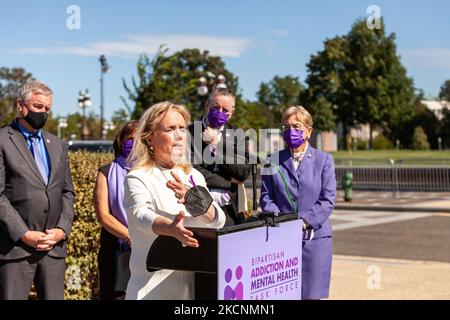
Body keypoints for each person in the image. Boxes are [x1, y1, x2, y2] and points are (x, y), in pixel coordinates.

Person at [124, 101, 226, 300]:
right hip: (149, 290)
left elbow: (218, 220)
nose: (179, 135)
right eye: (170, 129)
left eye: (182, 128)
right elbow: (140, 216)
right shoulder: (138, 177)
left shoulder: (194, 176)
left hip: (190, 291)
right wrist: (170, 228)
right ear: (149, 138)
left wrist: (194, 199)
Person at [0, 80, 75, 300]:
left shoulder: (57, 144)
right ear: (21, 105)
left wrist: (62, 230)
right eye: (37, 107)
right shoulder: (3, 140)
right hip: (14, 249)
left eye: (47, 109)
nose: (43, 112)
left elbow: (67, 192)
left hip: (53, 249)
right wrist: (23, 234)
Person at [260, 106, 336, 300]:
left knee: (311, 295)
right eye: (286, 127)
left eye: (296, 126)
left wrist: (302, 222)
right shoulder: (272, 160)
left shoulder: (324, 160)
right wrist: (285, 222)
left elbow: (327, 200)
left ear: (309, 131)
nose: (290, 131)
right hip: (282, 241)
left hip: (315, 241)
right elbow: (266, 198)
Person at [188, 87, 250, 226]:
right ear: (207, 106)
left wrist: (217, 145)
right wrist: (229, 182)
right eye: (216, 107)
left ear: (232, 112)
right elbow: (192, 170)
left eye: (225, 110)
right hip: (199, 208)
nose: (220, 112)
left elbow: (243, 172)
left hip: (230, 209)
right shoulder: (189, 133)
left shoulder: (238, 135)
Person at [94, 120, 138, 300]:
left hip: (149, 249)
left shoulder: (153, 172)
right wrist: (129, 236)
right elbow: (103, 215)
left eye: (139, 140)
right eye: (130, 139)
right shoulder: (106, 172)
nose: (134, 144)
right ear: (121, 141)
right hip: (116, 250)